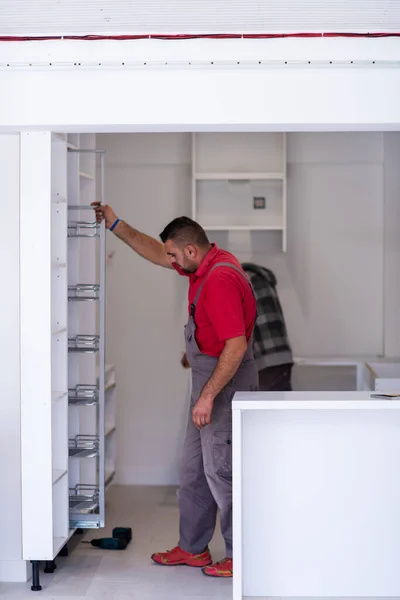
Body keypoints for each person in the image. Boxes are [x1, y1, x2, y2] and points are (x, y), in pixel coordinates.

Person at [92, 203, 258, 578]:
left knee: (222, 471)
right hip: (209, 378)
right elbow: (154, 250)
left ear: (190, 250)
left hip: (224, 384)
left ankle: (241, 554)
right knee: (194, 470)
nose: (168, 261)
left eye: (173, 255)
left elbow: (234, 346)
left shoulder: (218, 280)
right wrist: (116, 224)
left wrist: (208, 394)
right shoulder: (204, 263)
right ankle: (194, 548)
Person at [241, 263, 293, 391]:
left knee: (263, 408)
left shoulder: (241, 281)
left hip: (263, 360)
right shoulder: (259, 278)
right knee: (279, 406)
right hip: (280, 357)